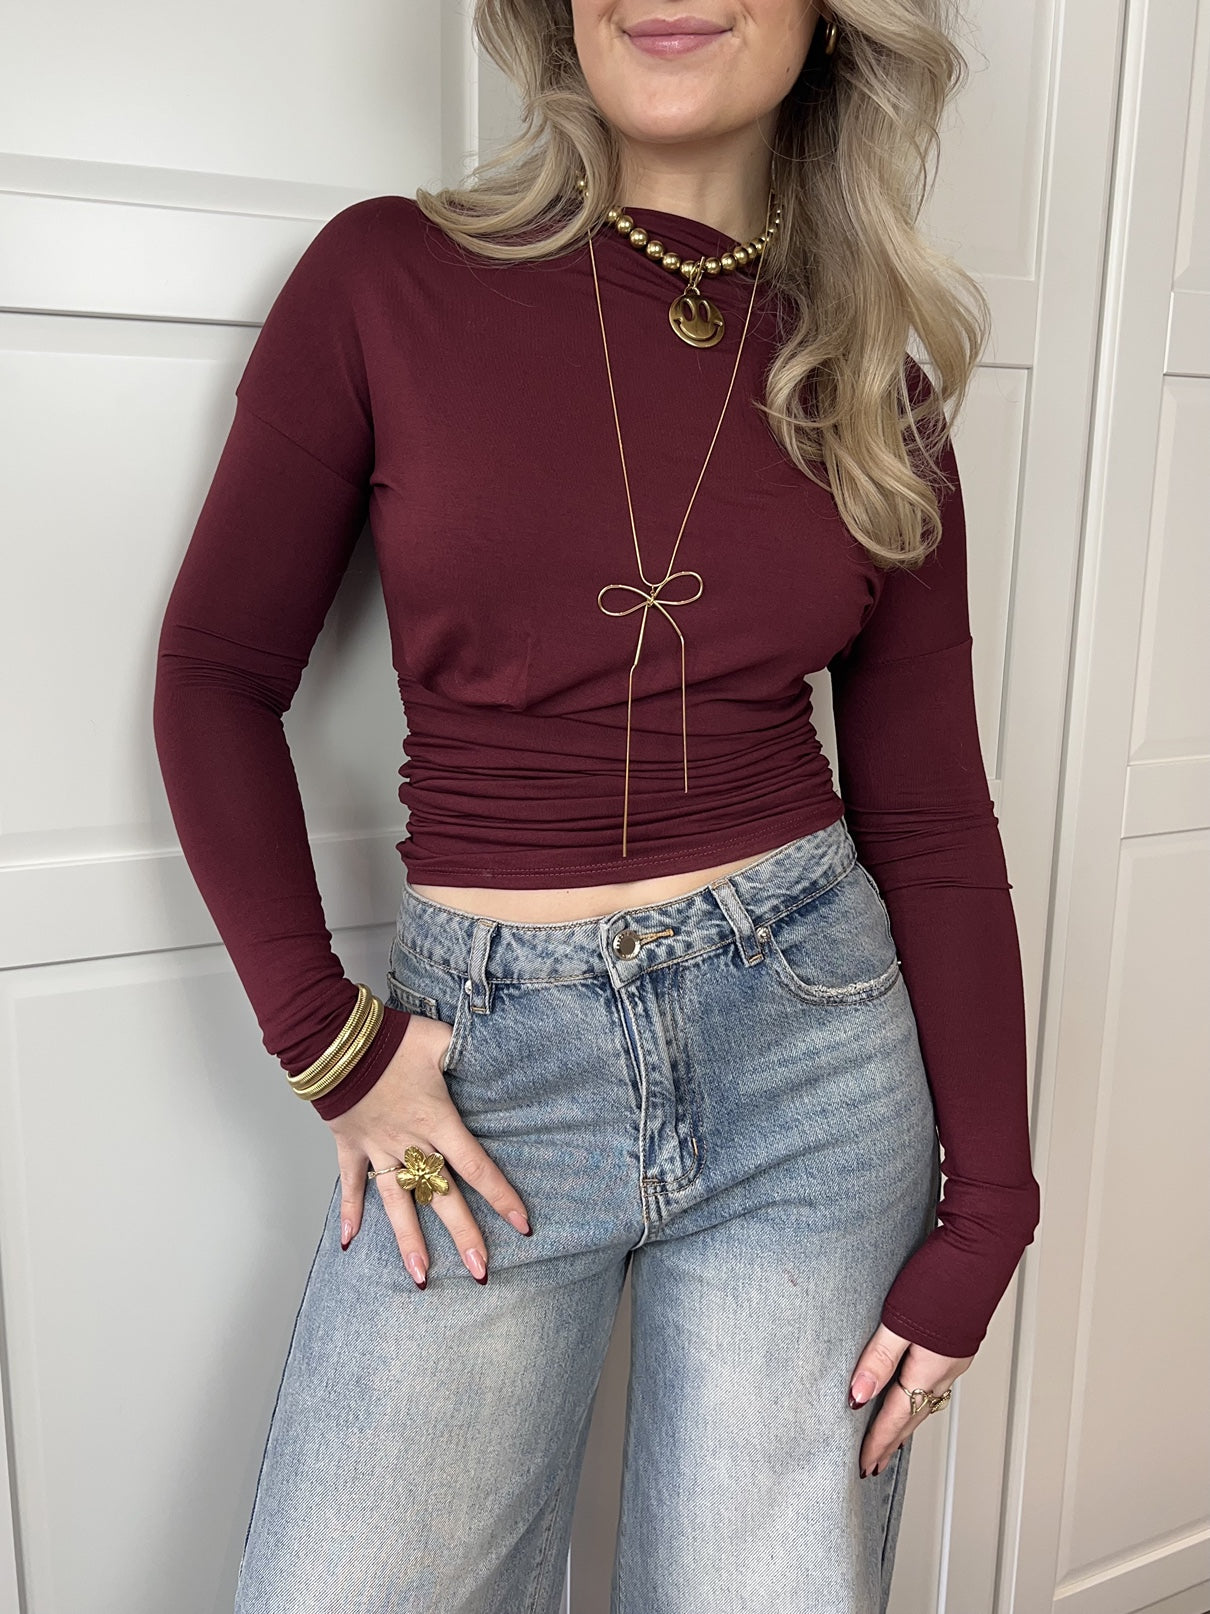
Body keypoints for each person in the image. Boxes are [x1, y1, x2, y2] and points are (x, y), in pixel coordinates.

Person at [152, 1, 1042, 1608]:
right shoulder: (385, 279)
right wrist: (326, 1042)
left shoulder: (869, 383)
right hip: (484, 1070)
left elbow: (929, 817)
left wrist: (989, 1211)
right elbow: (215, 674)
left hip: (815, 1065)